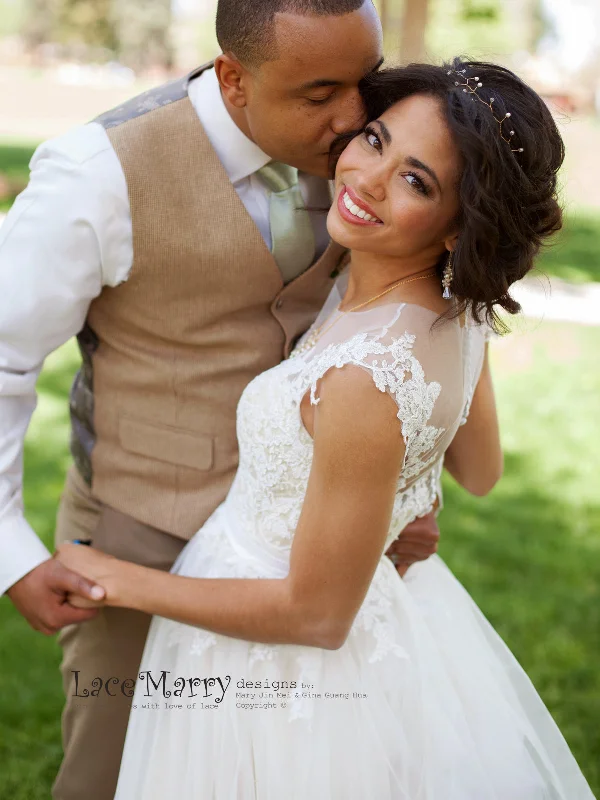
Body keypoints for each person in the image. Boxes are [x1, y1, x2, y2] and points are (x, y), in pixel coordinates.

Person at [56, 58, 596, 798]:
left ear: (457, 228)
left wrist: (121, 581)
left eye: (417, 181)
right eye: (375, 140)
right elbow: (479, 469)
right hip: (378, 611)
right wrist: (406, 496)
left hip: (275, 666)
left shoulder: (365, 379)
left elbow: (315, 615)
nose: (368, 178)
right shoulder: (451, 306)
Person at [0, 2, 440, 799]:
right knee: (114, 774)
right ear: (233, 78)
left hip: (305, 551)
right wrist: (9, 551)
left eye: (364, 83)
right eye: (319, 93)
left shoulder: (369, 160)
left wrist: (406, 485)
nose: (351, 118)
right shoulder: (98, 171)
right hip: (140, 538)